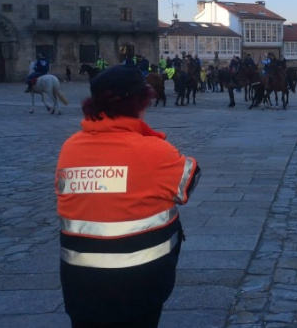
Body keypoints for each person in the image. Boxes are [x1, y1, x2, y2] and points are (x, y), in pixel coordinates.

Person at [55, 65, 200, 327]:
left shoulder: (70, 147)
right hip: (139, 284)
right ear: (141, 101)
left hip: (79, 282)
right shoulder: (154, 150)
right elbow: (186, 185)